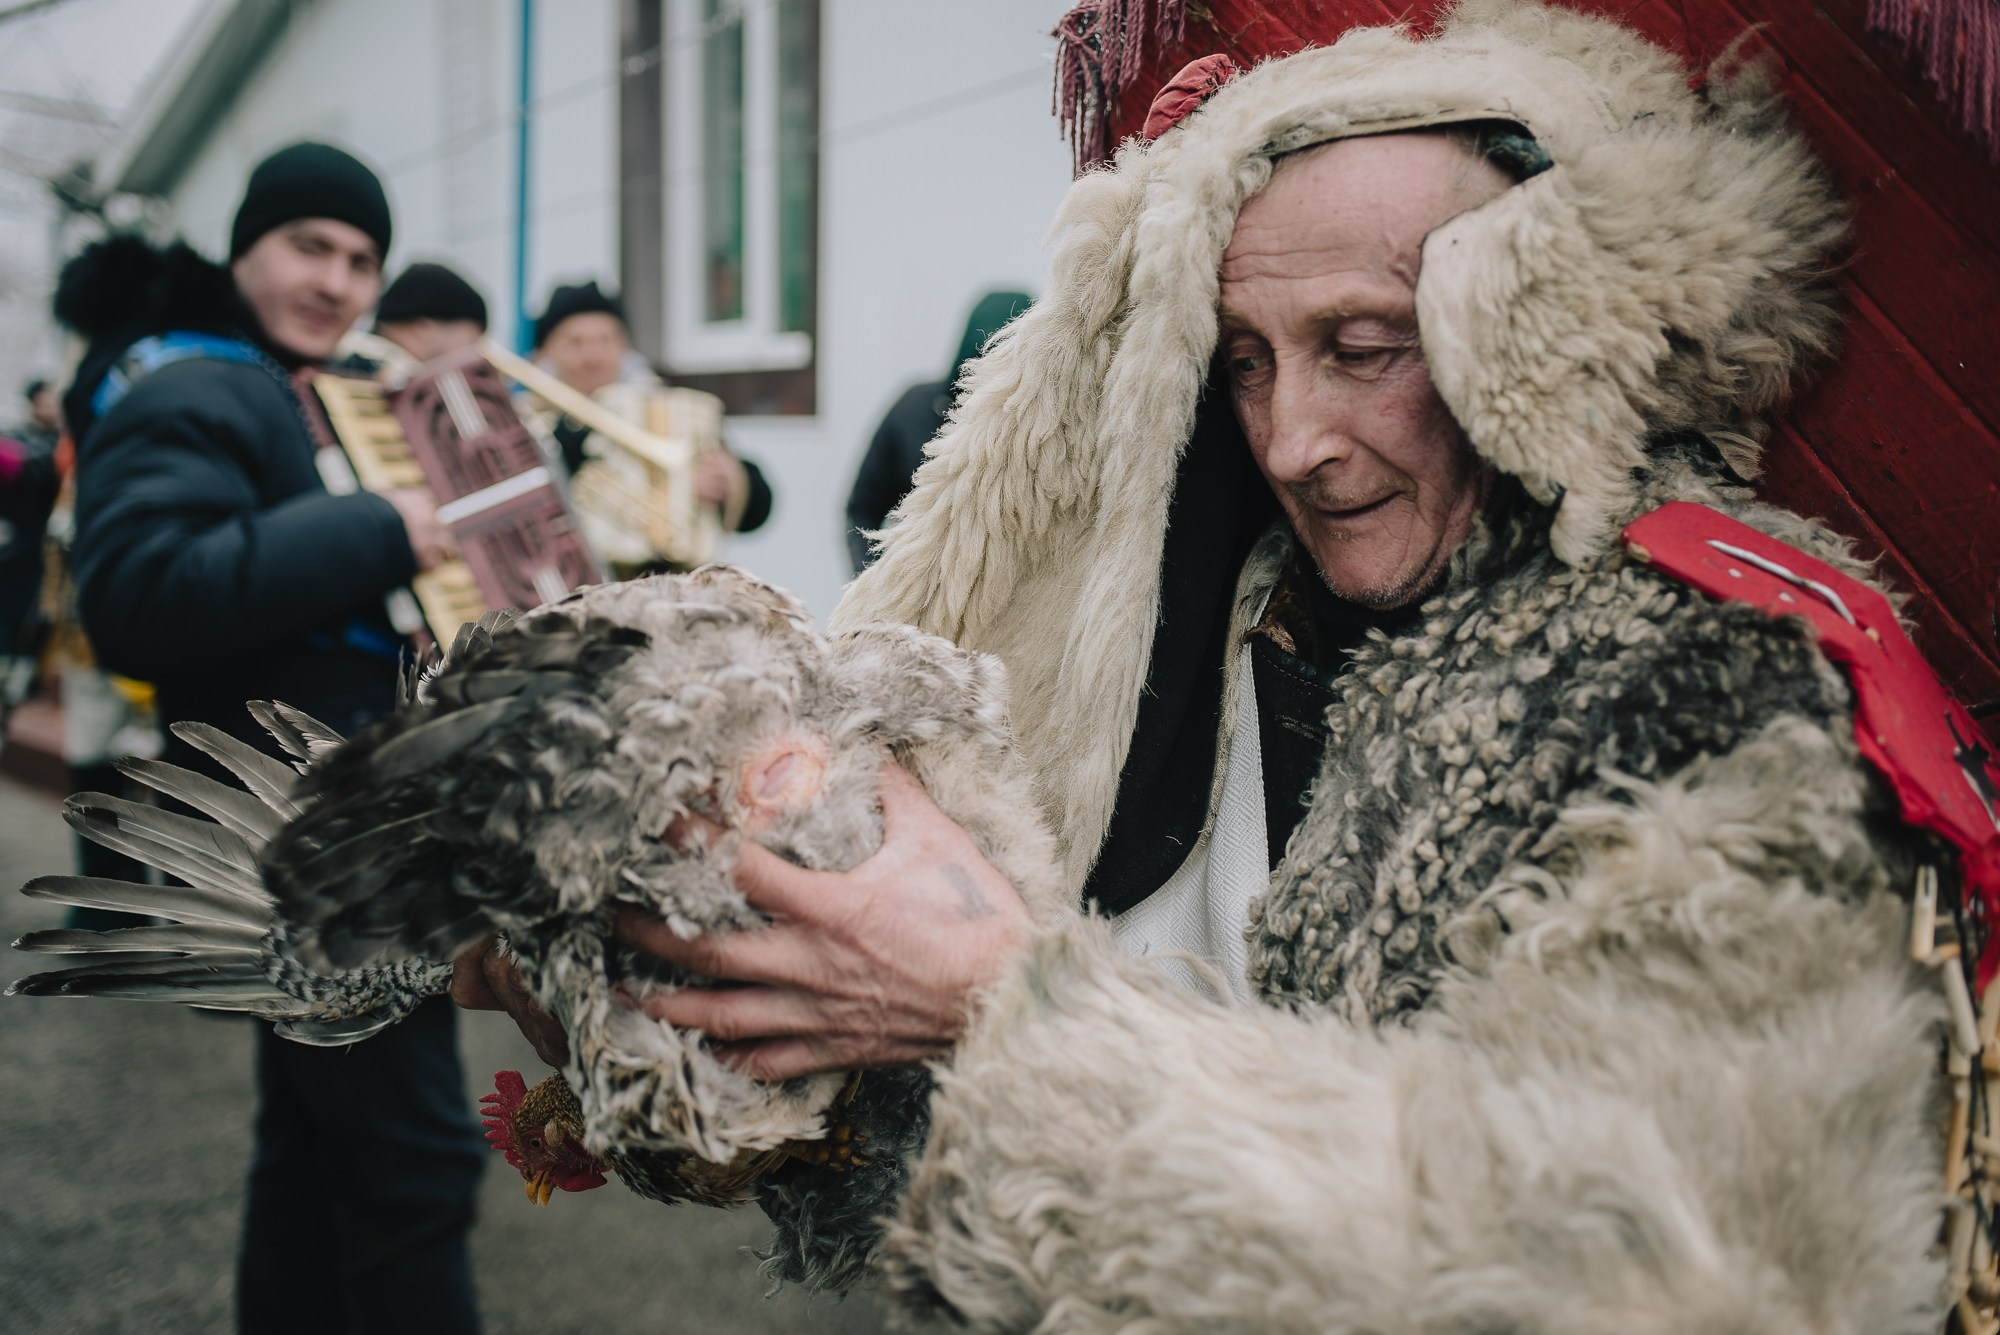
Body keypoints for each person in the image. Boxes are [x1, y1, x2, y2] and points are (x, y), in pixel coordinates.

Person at [466, 2, 1978, 1327]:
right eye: (1248, 356)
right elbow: (970, 1120)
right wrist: (727, 1007)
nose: (1295, 439)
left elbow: (1662, 1280)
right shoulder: (1188, 642)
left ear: (1538, 329)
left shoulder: (1716, 672)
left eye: (1367, 343)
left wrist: (1009, 1008)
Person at [58, 142, 485, 1335]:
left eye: (361, 259)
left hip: (322, 818)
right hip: (301, 832)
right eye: (309, 245)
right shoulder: (196, 389)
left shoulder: (291, 389)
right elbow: (135, 597)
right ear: (242, 247)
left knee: (314, 1151)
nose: (338, 280)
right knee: (415, 1164)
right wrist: (380, 530)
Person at [530, 280, 773, 537]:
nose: (593, 357)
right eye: (575, 343)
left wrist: (729, 481)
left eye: (606, 340)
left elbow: (759, 507)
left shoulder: (668, 410)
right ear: (546, 352)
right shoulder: (525, 422)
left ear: (625, 347)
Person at [845, 290, 1031, 572]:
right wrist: (872, 586)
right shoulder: (913, 412)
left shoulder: (1039, 438)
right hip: (915, 594)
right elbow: (861, 510)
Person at [0, 379, 62, 705]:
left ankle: (21, 675)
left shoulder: (60, 445)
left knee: (31, 615)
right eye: (48, 398)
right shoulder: (13, 437)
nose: (53, 404)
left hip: (38, 549)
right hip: (8, 543)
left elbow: (39, 470)